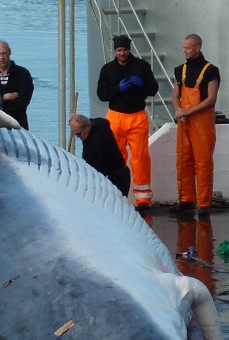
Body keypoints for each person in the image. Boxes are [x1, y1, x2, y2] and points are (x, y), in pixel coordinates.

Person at [96, 34, 160, 212]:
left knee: (140, 157)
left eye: (124, 50)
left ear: (129, 49)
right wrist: (118, 88)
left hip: (137, 116)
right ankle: (116, 195)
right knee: (116, 157)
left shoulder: (142, 66)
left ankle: (143, 199)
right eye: (118, 50)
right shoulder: (107, 69)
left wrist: (142, 85)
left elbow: (153, 89)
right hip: (115, 117)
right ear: (114, 51)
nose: (122, 53)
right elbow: (102, 94)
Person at [171, 34, 220, 219]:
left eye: (188, 48)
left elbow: (211, 99)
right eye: (183, 47)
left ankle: (204, 204)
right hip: (184, 122)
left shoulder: (210, 71)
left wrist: (188, 112)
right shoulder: (180, 70)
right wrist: (178, 110)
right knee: (183, 160)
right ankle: (185, 200)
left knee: (203, 162)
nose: (184, 51)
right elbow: (175, 95)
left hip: (202, 123)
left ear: (198, 47)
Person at [69, 114, 130, 197]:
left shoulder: (96, 143)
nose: (78, 137)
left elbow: (95, 169)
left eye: (79, 134)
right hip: (123, 172)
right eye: (75, 134)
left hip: (115, 179)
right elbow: (103, 121)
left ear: (88, 126)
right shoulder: (100, 124)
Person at [0, 40, 34, 129]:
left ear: (10, 52)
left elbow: (23, 102)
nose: (1, 57)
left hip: (17, 126)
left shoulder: (23, 74)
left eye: (4, 53)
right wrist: (4, 98)